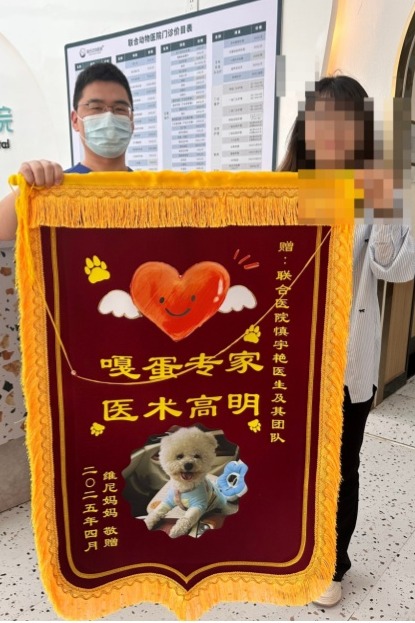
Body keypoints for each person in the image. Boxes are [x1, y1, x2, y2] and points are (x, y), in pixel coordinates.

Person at [279, 75, 415, 606]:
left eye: (347, 121)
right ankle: (283, 550)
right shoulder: (281, 188)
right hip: (286, 358)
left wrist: (384, 193)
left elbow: (396, 268)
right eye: (324, 119)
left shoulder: (374, 194)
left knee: (339, 466)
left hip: (346, 360)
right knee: (285, 459)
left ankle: (331, 564)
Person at [0, 62, 134, 241]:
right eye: (96, 107)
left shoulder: (155, 194)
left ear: (131, 121)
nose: (109, 116)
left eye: (120, 109)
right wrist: (28, 188)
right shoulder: (53, 189)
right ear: (75, 120)